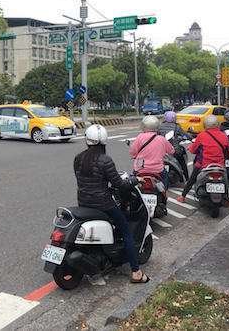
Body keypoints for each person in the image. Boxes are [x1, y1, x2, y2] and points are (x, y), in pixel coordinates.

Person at [74, 124, 149, 285]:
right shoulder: (105, 160)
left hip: (83, 202)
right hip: (103, 204)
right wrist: (135, 180)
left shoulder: (78, 158)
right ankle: (136, 272)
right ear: (104, 141)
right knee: (126, 230)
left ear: (87, 140)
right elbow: (119, 184)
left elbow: (84, 181)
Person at [177, 115, 229, 206]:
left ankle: (183, 196)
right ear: (217, 124)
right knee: (225, 180)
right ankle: (228, 200)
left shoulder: (202, 135)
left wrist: (191, 148)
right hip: (220, 165)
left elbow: (193, 150)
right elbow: (227, 150)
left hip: (203, 164)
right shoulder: (223, 136)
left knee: (192, 178)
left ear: (205, 125)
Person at [129, 116, 175, 188]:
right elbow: (171, 151)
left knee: (132, 181)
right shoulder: (162, 139)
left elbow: (133, 152)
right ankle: (164, 192)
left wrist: (134, 156)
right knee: (165, 179)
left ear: (143, 126)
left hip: (140, 168)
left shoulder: (140, 137)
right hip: (157, 169)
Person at [159, 111, 192, 180]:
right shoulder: (177, 127)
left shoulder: (160, 126)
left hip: (161, 150)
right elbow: (187, 136)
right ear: (174, 118)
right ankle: (187, 179)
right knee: (182, 163)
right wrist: (189, 137)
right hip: (174, 150)